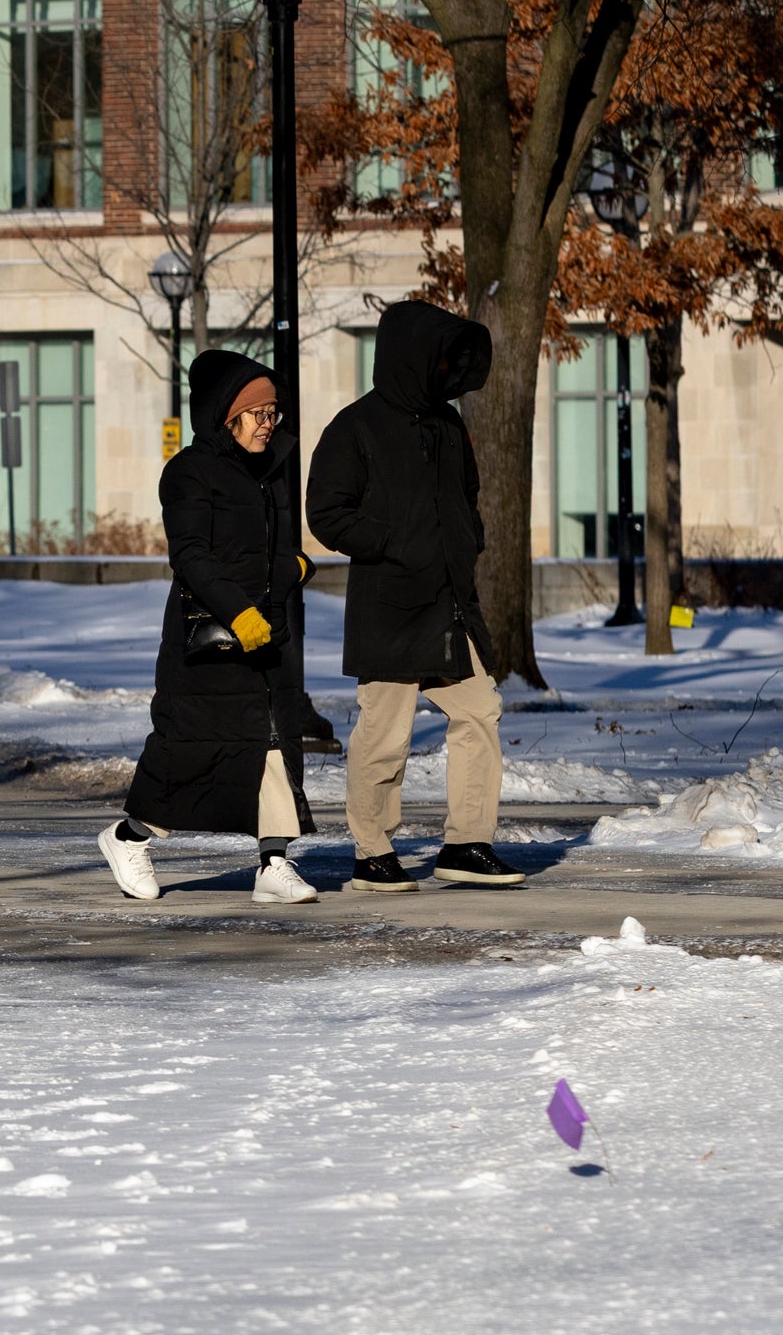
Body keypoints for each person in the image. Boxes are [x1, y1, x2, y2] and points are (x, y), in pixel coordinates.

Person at [304, 301, 524, 891]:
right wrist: (389, 541)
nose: (449, 368)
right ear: (412, 356)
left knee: (479, 711)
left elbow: (469, 496)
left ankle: (466, 845)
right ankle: (371, 852)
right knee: (385, 735)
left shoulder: (449, 425)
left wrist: (468, 540)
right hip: (390, 607)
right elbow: (325, 512)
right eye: (441, 356)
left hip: (451, 604)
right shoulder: (355, 427)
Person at [99, 349, 323, 907]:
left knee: (273, 742)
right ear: (229, 414)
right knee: (191, 750)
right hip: (207, 639)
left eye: (275, 414)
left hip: (263, 636)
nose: (270, 425)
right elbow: (193, 558)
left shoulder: (264, 471)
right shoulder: (188, 473)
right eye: (260, 414)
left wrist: (293, 567)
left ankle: (274, 863)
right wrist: (237, 611)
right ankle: (129, 838)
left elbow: (257, 552)